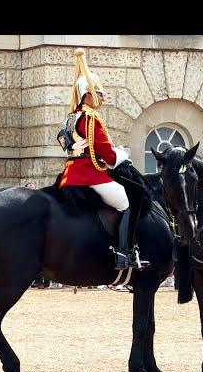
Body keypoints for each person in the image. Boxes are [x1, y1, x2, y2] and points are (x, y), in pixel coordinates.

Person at [57, 48, 146, 271]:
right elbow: (105, 152)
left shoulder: (70, 117)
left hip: (69, 174)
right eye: (100, 93)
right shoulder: (91, 118)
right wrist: (122, 155)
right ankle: (124, 254)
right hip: (89, 173)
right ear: (88, 95)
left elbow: (63, 141)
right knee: (126, 202)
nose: (103, 97)